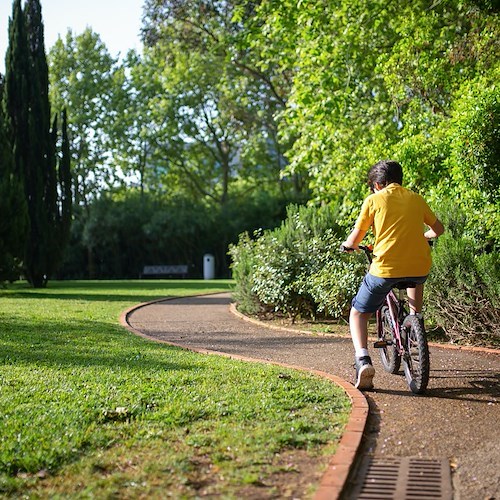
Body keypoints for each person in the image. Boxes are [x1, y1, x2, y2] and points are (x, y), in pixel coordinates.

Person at [341, 160, 444, 390]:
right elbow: (439, 230)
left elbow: (355, 238)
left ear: (378, 184)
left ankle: (363, 361)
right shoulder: (416, 198)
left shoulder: (374, 200)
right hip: (419, 267)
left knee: (358, 313)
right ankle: (415, 320)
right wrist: (424, 237)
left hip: (385, 269)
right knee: (414, 275)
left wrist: (348, 246)